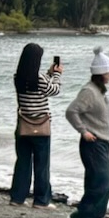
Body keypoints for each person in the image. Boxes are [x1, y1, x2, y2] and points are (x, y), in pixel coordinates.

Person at [64, 48, 109, 218]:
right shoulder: (89, 91)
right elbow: (71, 111)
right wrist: (83, 131)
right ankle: (80, 215)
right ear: (102, 73)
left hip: (102, 142)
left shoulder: (99, 91)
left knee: (98, 181)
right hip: (92, 143)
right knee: (102, 182)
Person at [10, 43, 64, 208]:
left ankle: (17, 198)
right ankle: (41, 200)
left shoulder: (18, 78)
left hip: (24, 126)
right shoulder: (39, 79)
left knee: (23, 163)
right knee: (42, 165)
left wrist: (49, 73)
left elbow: (42, 85)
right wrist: (56, 75)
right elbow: (54, 90)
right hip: (41, 128)